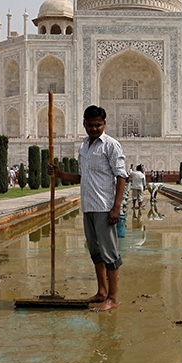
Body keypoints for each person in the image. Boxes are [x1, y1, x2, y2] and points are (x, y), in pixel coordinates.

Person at [50, 105, 128, 312]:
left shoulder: (111, 146)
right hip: (89, 206)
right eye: (90, 125)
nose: (94, 128)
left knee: (110, 254)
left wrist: (116, 208)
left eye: (98, 125)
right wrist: (60, 174)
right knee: (95, 252)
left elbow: (121, 176)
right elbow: (82, 177)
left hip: (104, 207)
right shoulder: (84, 146)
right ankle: (102, 292)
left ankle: (112, 298)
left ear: (104, 124)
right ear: (84, 124)